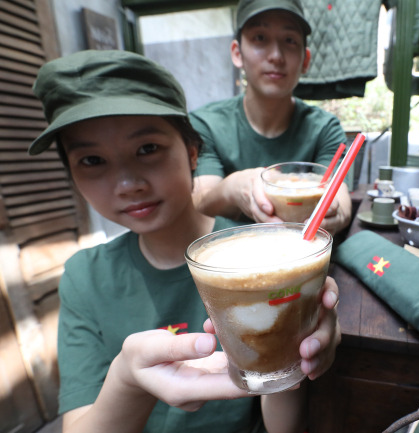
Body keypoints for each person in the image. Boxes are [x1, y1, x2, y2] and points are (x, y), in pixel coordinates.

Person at [28, 49, 341, 433]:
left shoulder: (267, 261)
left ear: (192, 152)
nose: (128, 184)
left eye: (147, 149)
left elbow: (282, 429)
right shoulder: (84, 277)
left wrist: (290, 355)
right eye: (92, 161)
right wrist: (128, 379)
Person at [190, 0, 352, 235]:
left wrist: (335, 214)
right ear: (237, 53)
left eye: (289, 41)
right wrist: (236, 187)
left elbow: (340, 200)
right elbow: (201, 203)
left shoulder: (324, 128)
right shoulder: (206, 124)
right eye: (259, 38)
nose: (276, 56)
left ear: (305, 60)